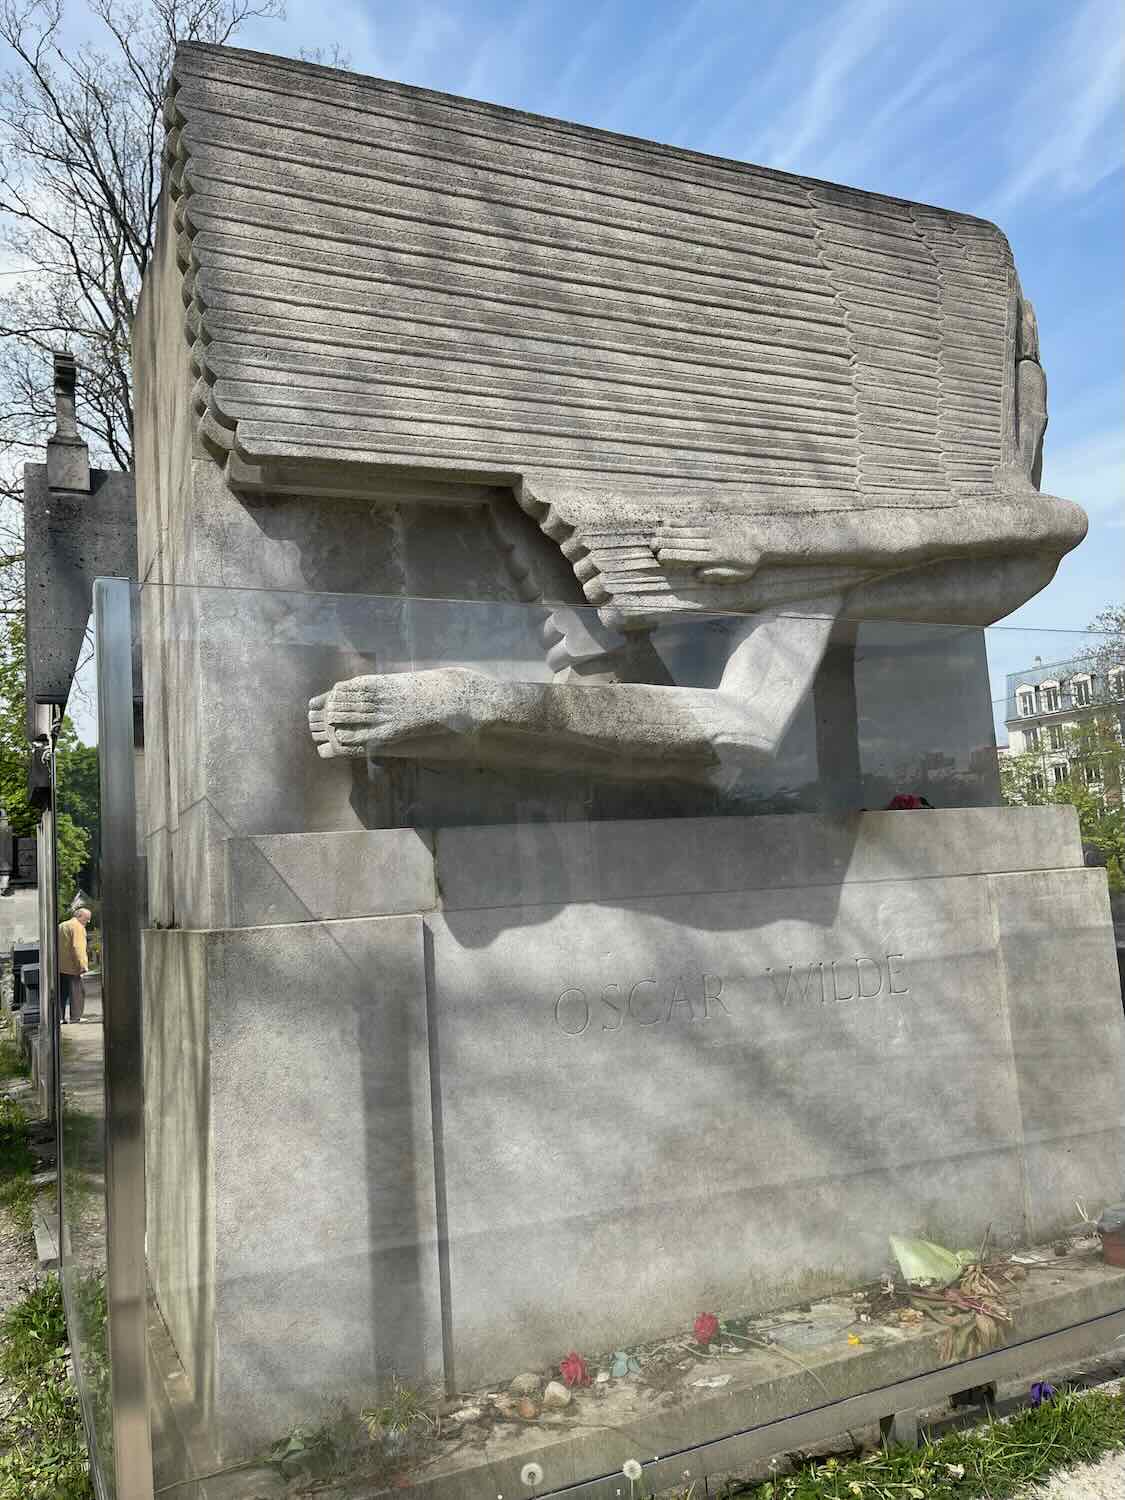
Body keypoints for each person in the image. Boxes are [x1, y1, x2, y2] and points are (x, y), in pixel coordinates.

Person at [58, 907, 91, 1023]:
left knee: (62, 993)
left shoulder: (62, 926)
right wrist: (82, 965)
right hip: (73, 967)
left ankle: (60, 1017)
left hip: (60, 966)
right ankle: (76, 1017)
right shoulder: (78, 927)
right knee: (78, 992)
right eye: (86, 919)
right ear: (79, 916)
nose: (87, 922)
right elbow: (78, 947)